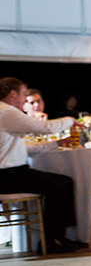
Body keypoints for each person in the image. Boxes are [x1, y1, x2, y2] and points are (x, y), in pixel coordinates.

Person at [0, 77, 80, 253]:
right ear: (12, 94)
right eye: (22, 94)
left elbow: (23, 148)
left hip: (9, 173)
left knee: (62, 183)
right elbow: (45, 128)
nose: (23, 99)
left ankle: (56, 237)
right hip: (8, 176)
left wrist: (56, 144)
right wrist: (69, 120)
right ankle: (50, 240)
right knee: (61, 185)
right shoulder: (7, 112)